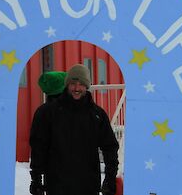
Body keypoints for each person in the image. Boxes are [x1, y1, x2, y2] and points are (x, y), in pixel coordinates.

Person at [29, 64, 119, 195]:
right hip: (57, 186)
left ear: (87, 86)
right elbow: (38, 146)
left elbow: (110, 147)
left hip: (88, 186)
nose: (77, 88)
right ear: (67, 84)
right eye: (73, 83)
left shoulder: (97, 115)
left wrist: (110, 179)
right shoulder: (47, 112)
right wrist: (36, 179)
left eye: (81, 84)